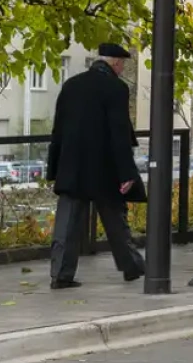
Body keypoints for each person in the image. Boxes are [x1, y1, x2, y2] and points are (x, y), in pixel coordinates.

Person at [45, 43, 145, 289]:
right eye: (122, 66)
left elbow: (58, 130)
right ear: (116, 64)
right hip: (104, 168)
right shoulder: (116, 88)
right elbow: (119, 133)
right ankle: (131, 267)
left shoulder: (71, 85)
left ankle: (60, 274)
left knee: (66, 224)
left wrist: (54, 168)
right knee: (115, 221)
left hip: (72, 167)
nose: (122, 70)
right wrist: (127, 173)